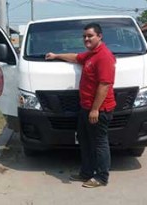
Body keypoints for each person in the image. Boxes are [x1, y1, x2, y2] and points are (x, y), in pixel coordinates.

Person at [45, 23, 116, 188]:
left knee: (99, 142)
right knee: (84, 140)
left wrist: (95, 109)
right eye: (84, 36)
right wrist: (56, 56)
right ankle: (86, 172)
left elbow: (104, 85)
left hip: (99, 109)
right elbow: (76, 57)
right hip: (86, 108)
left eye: (90, 36)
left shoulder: (104, 56)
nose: (86, 39)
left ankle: (101, 177)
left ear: (100, 36)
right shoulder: (91, 55)